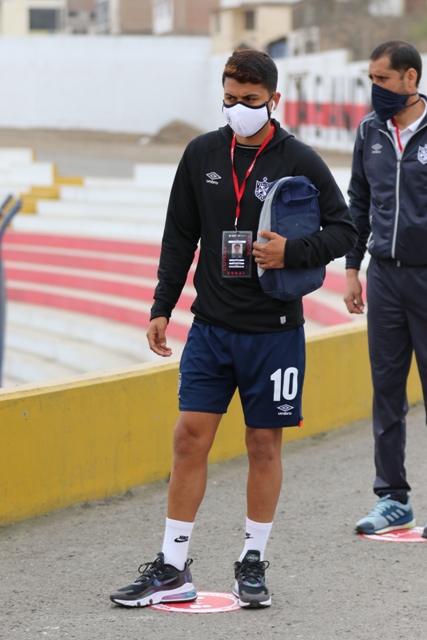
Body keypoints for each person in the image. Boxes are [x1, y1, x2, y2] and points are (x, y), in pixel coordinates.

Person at [111, 48, 357, 610]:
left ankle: (252, 562)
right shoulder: (201, 153)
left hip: (274, 331)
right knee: (188, 437)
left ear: (274, 99)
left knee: (262, 444)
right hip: (211, 327)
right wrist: (161, 305)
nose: (238, 108)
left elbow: (344, 229)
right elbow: (179, 236)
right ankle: (172, 568)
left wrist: (294, 251)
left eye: (250, 99)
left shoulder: (300, 158)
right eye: (229, 98)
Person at [344, 40, 427, 537]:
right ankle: (393, 499)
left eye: (383, 79)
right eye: (371, 79)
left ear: (410, 78)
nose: (375, 88)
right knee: (387, 390)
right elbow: (358, 201)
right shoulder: (369, 130)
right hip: (384, 278)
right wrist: (352, 268)